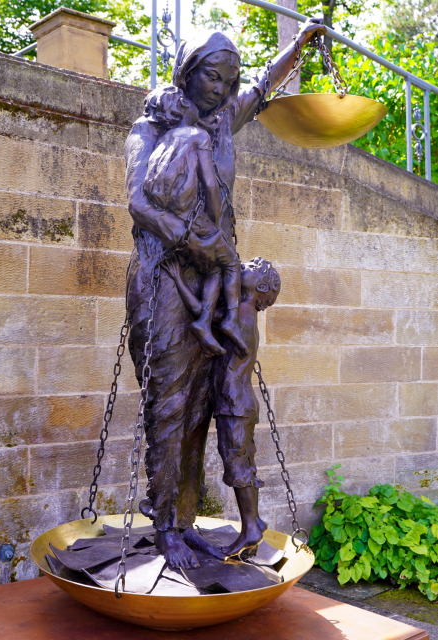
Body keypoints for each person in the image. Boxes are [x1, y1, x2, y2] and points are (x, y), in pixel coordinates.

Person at [125, 19, 326, 570]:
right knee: (167, 406)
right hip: (164, 276)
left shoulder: (219, 125)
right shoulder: (149, 129)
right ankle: (164, 524)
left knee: (198, 408)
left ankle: (182, 523)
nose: (222, 88)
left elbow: (262, 89)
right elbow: (140, 204)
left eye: (228, 79)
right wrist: (197, 241)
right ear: (188, 74)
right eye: (212, 77)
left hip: (209, 278)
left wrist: (300, 45)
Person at [163, 256, 281, 558]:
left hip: (233, 405)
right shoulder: (242, 310)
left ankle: (251, 527)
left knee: (237, 466)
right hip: (236, 404)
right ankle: (253, 522)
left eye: (252, 267)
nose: (244, 265)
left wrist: (178, 278)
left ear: (261, 287)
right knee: (242, 462)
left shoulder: (241, 311)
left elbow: (202, 314)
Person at [143, 86, 247, 358]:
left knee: (213, 267)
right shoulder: (197, 137)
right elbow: (211, 185)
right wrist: (216, 219)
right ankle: (231, 320)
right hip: (195, 222)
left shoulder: (164, 140)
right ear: (181, 107)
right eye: (189, 103)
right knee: (230, 262)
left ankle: (203, 322)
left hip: (174, 227)